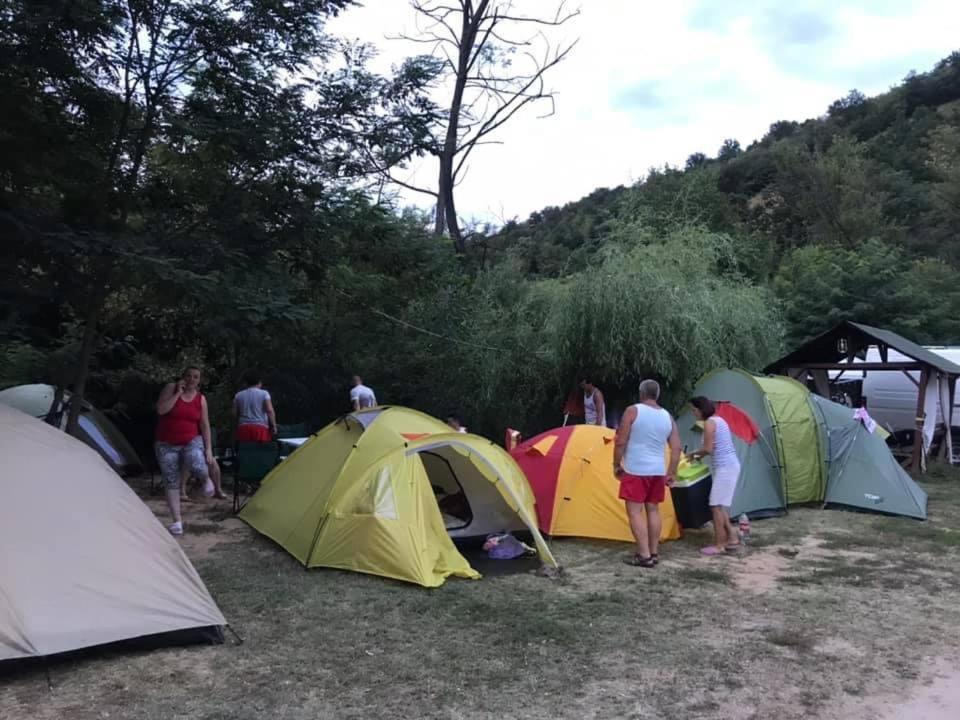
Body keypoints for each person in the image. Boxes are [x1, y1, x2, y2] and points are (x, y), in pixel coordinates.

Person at [613, 379, 680, 568]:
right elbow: (675, 448)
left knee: (635, 512)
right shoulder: (668, 417)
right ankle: (654, 552)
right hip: (657, 471)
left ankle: (643, 555)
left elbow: (620, 441)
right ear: (657, 395)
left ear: (641, 393)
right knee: (653, 510)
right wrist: (671, 472)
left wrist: (616, 464)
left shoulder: (633, 411)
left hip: (636, 469)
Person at [155, 366, 215, 535]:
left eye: (195, 377)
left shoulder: (201, 399)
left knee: (196, 460)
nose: (191, 379)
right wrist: (177, 394)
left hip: (191, 440)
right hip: (166, 443)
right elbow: (161, 410)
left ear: (199, 381)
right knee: (171, 480)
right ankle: (177, 521)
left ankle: (205, 479)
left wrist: (209, 449)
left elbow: (204, 425)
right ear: (182, 377)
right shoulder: (170, 388)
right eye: (188, 376)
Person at [689, 396, 742, 556]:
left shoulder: (710, 423)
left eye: (693, 410)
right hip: (728, 466)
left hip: (726, 467)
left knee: (715, 506)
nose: (693, 414)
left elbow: (708, 449)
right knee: (719, 505)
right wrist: (697, 458)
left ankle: (719, 545)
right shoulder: (719, 420)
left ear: (700, 409)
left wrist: (692, 454)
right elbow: (713, 447)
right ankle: (732, 538)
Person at [233, 370, 277, 442]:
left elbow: (234, 414)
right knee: (260, 452)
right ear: (259, 382)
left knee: (246, 451)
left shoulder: (238, 395)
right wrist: (274, 426)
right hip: (261, 428)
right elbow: (269, 410)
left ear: (246, 383)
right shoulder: (264, 394)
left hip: (243, 428)